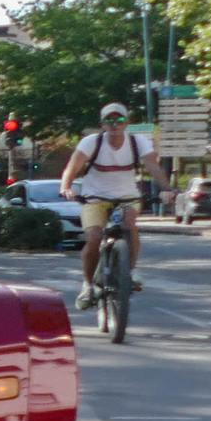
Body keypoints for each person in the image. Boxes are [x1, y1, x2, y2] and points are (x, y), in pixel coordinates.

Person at [62, 102, 154, 308]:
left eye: (119, 119)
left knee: (130, 224)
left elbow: (153, 166)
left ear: (127, 122)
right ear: (102, 124)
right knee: (94, 236)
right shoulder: (90, 142)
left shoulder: (137, 142)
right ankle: (87, 285)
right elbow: (72, 167)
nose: (115, 124)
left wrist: (167, 188)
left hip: (127, 197)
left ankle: (131, 271)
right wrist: (66, 187)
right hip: (94, 198)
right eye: (109, 120)